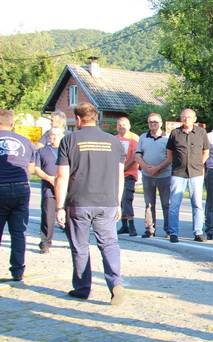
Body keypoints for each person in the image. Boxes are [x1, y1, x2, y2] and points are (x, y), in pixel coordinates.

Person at [54, 103, 127, 304]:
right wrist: (118, 203)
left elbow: (62, 176)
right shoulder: (114, 142)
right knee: (110, 244)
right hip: (107, 202)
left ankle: (83, 288)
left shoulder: (69, 140)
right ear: (96, 118)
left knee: (80, 246)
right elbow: (120, 176)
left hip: (79, 202)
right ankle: (116, 284)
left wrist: (59, 206)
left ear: (78, 119)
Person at [0, 109, 36, 281]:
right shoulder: (25, 141)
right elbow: (31, 169)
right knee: (18, 231)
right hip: (22, 188)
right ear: (12, 123)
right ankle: (18, 270)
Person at [166, 108, 210, 243]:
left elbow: (206, 152)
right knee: (174, 204)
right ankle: (173, 233)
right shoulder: (175, 133)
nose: (186, 119)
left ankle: (198, 232)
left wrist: (199, 164)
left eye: (189, 117)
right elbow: (169, 153)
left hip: (196, 174)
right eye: (184, 117)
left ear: (194, 119)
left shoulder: (201, 133)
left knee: (197, 204)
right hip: (178, 173)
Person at [135, 113, 171, 238]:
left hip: (165, 175)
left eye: (155, 121)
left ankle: (169, 229)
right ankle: (150, 229)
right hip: (147, 175)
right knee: (149, 204)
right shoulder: (143, 137)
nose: (153, 124)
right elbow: (137, 155)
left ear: (161, 123)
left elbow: (170, 158)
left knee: (167, 203)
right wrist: (146, 167)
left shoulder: (168, 138)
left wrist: (157, 168)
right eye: (150, 122)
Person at [34, 127, 64, 253]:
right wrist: (49, 178)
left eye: (56, 135)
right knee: (47, 216)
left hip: (65, 189)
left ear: (62, 135)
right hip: (49, 188)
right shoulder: (42, 151)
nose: (53, 137)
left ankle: (74, 240)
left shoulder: (67, 150)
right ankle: (45, 242)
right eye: (51, 135)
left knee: (70, 216)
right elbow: (36, 169)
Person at [115, 117, 139, 237]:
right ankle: (124, 225)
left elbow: (135, 157)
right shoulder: (114, 139)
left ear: (129, 126)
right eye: (119, 125)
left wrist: (123, 168)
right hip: (116, 175)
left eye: (124, 125)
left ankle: (132, 225)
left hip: (129, 174)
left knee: (127, 199)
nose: (121, 127)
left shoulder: (134, 139)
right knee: (119, 200)